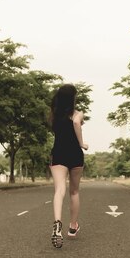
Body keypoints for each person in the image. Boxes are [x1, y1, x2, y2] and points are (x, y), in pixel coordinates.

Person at [49, 84, 88, 248]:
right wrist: (81, 143)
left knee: (59, 190)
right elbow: (77, 123)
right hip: (74, 154)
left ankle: (57, 223)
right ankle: (73, 227)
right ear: (73, 98)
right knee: (74, 191)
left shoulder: (54, 115)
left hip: (58, 153)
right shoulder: (77, 113)